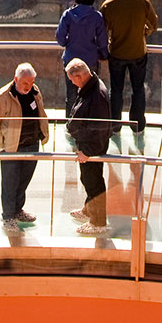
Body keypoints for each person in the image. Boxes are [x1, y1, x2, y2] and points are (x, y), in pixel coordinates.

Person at [0, 63, 49, 233]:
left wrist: (43, 134)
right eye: (24, 84)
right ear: (16, 80)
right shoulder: (2, 96)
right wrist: (2, 143)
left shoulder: (35, 91)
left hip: (32, 144)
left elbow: (41, 113)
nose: (28, 87)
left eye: (31, 83)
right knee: (10, 183)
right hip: (12, 147)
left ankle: (17, 210)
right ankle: (8, 217)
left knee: (23, 181)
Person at [99, 0, 158, 139]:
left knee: (116, 90)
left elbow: (102, 31)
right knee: (138, 88)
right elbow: (154, 23)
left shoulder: (108, 5)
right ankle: (137, 125)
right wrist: (143, 32)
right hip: (138, 53)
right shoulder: (142, 2)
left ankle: (115, 125)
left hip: (117, 53)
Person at [65, 57, 116, 235]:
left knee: (93, 182)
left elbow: (99, 128)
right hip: (88, 145)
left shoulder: (96, 95)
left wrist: (87, 151)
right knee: (88, 179)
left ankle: (98, 222)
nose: (72, 84)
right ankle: (89, 210)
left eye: (72, 80)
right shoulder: (89, 87)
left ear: (79, 76)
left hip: (91, 148)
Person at [55, 0, 108, 115]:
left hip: (71, 58)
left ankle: (71, 124)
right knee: (91, 94)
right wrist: (103, 53)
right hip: (90, 60)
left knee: (72, 95)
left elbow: (60, 38)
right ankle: (89, 122)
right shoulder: (97, 17)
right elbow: (102, 40)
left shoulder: (68, 15)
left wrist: (69, 43)